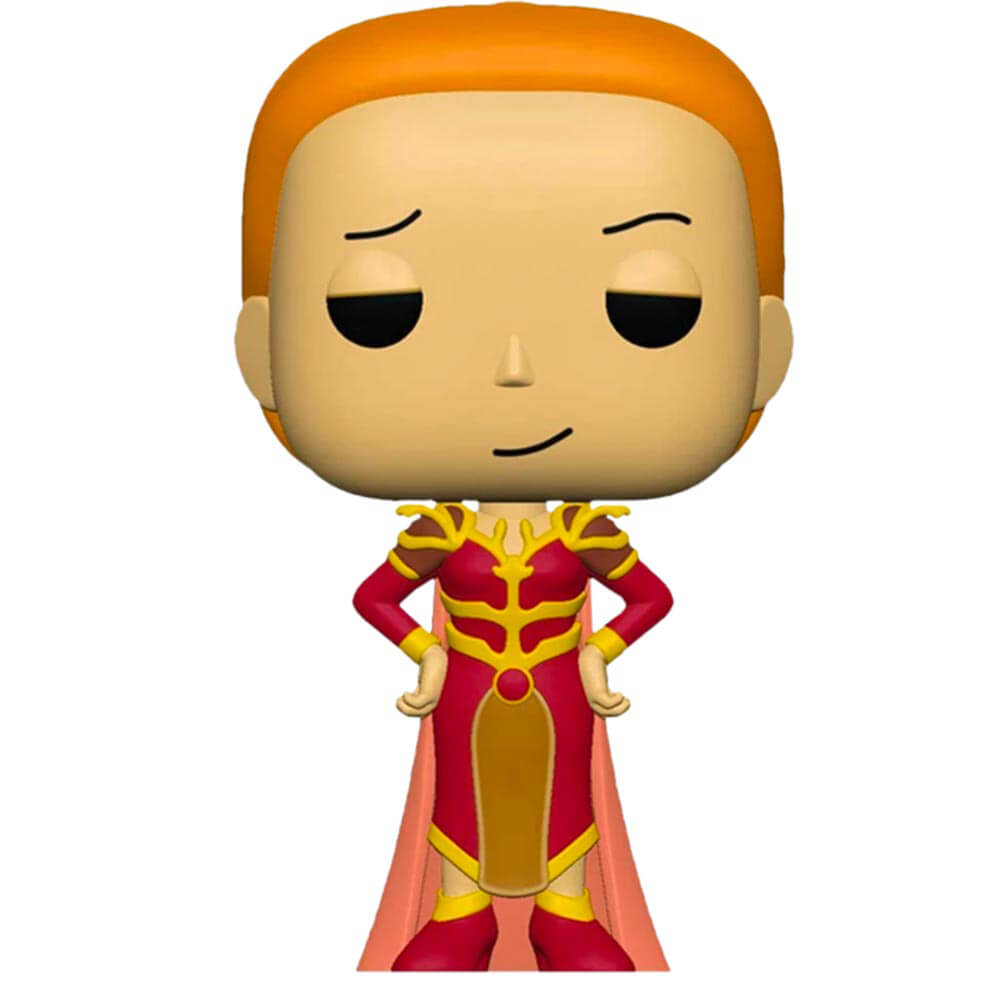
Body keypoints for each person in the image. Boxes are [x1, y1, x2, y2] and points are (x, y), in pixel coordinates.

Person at [235, 3, 792, 971]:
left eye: (649, 308)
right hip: (464, 706)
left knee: (566, 879)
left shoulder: (586, 532)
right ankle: (457, 927)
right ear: (261, 350)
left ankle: (568, 926)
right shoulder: (439, 533)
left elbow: (651, 595)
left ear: (765, 350)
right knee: (459, 880)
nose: (514, 369)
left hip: (561, 705)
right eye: (378, 308)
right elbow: (374, 595)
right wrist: (427, 656)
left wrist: (598, 655)